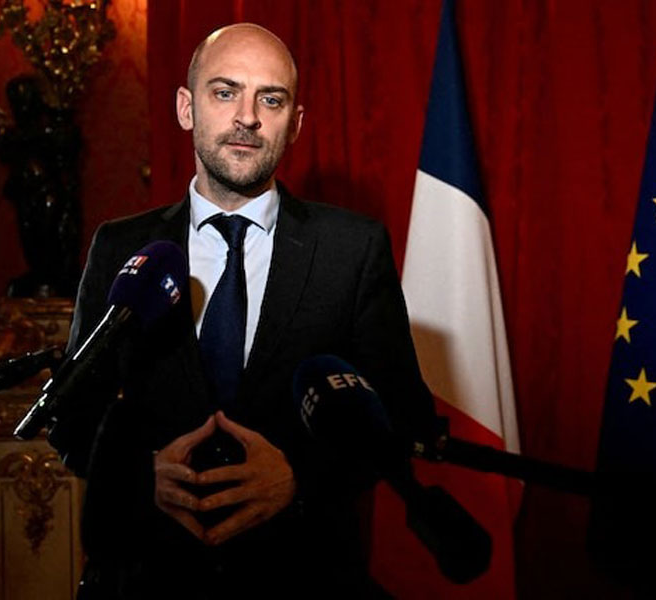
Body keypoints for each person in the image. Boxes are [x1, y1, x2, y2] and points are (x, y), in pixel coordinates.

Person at [49, 23, 435, 599]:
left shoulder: (352, 250)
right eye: (225, 92)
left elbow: (405, 417)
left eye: (270, 99)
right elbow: (72, 416)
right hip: (149, 580)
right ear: (187, 108)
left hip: (303, 579)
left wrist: (299, 478)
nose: (247, 117)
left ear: (295, 123)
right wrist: (139, 475)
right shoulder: (120, 247)